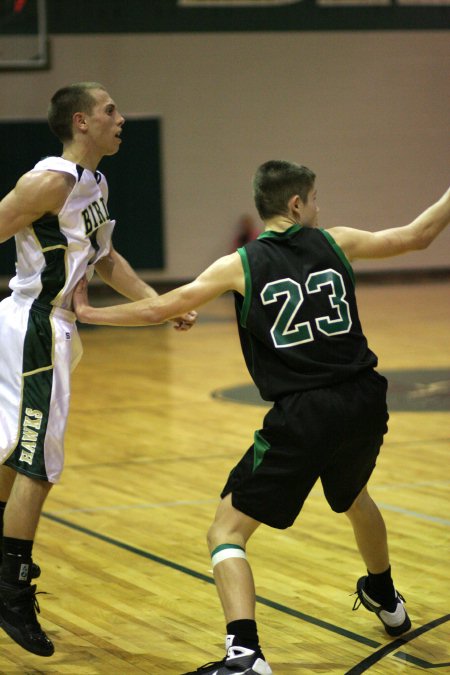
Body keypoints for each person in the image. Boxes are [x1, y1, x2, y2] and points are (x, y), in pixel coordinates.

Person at [73, 160, 450, 675]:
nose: (320, 209)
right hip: (365, 399)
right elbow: (418, 235)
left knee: (225, 530)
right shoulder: (337, 242)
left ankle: (245, 654)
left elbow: (161, 309)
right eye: (315, 199)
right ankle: (386, 597)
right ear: (296, 205)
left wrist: (91, 314)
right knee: (354, 495)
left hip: (305, 412)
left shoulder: (239, 264)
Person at [0, 81, 196, 658]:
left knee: (13, 450)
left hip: (47, 328)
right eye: (111, 110)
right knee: (40, 462)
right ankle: (11, 591)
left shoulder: (95, 185)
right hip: (37, 325)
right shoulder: (50, 180)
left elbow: (106, 258)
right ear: (81, 121)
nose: (121, 117)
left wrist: (159, 304)